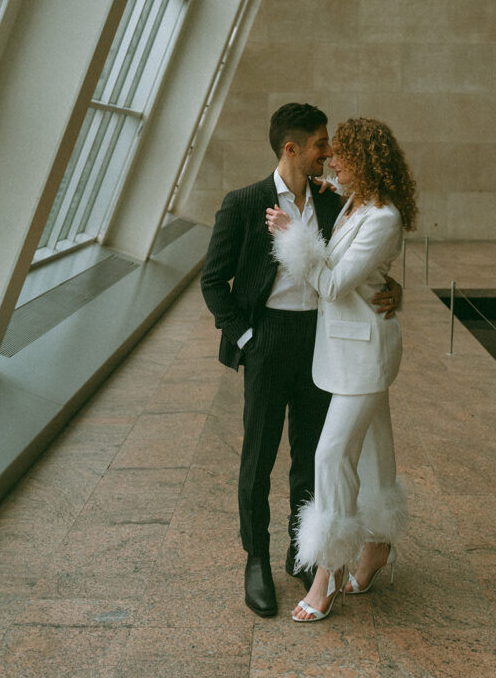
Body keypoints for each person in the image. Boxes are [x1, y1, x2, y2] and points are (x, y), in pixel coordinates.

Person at [200, 103, 401, 618]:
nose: (329, 153)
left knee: (312, 455)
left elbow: (355, 264)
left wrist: (391, 288)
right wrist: (246, 338)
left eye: (332, 147)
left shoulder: (336, 203)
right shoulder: (245, 202)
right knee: (260, 456)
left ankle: (302, 551)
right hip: (266, 341)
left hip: (322, 342)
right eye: (320, 145)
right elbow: (212, 281)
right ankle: (255, 561)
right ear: (291, 147)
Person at [267, 116, 418, 622]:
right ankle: (376, 546)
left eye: (341, 154)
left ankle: (326, 572)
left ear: (364, 161)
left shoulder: (383, 218)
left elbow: (334, 285)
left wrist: (294, 237)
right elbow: (360, 269)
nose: (331, 161)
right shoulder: (356, 202)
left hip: (364, 356)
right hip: (346, 351)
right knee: (374, 452)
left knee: (330, 455)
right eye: (328, 153)